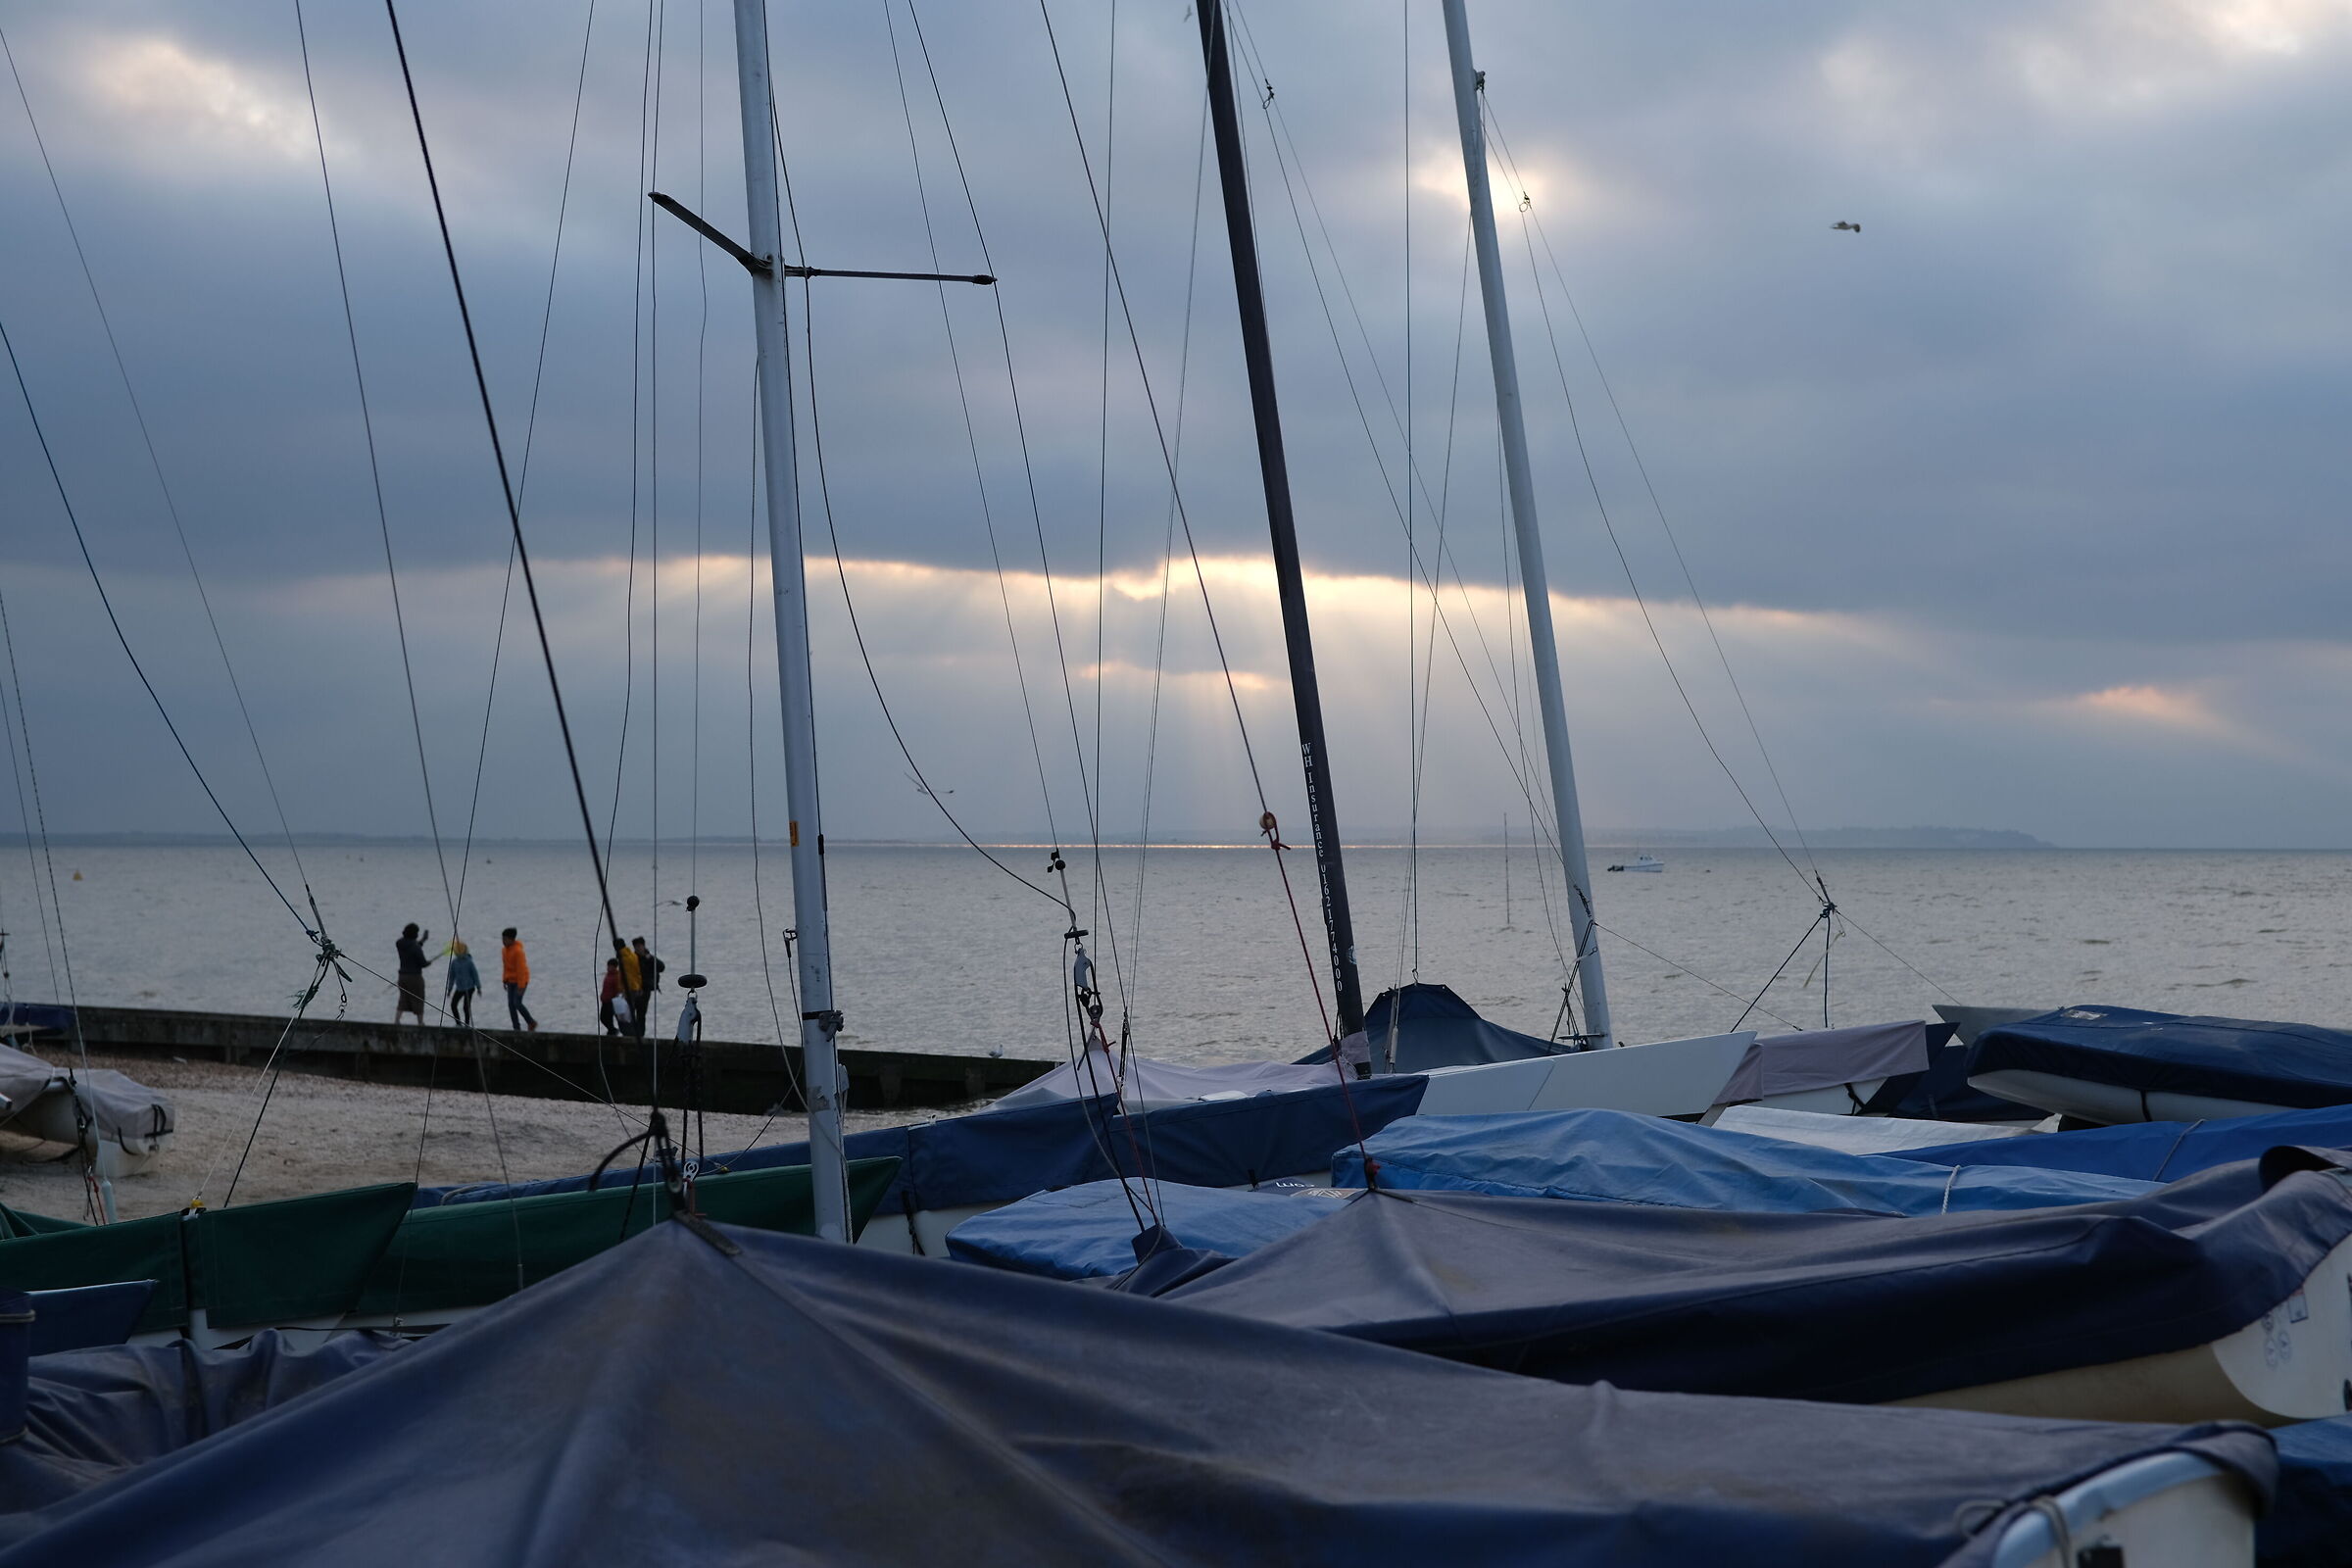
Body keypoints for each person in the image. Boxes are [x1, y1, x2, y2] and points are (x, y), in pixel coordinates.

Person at [394, 922, 433, 1024]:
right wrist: (429, 962)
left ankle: (396, 1021)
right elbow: (423, 963)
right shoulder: (416, 947)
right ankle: (420, 1023)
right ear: (415, 934)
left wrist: (423, 940)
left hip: (402, 976)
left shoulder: (399, 943)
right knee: (418, 998)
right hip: (415, 977)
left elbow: (411, 947)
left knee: (403, 999)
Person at [501, 928, 538, 1033]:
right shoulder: (504, 951)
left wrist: (521, 986)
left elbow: (521, 970)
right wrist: (504, 979)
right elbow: (505, 966)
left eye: (505, 939)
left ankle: (531, 1022)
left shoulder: (518, 952)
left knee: (517, 1003)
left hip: (521, 980)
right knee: (511, 1005)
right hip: (510, 980)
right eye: (502, 939)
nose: (503, 941)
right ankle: (516, 1028)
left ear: (512, 939)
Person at [629, 935, 665, 1040]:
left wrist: (650, 958)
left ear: (643, 946)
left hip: (645, 990)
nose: (638, 948)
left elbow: (661, 967)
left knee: (641, 1013)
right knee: (630, 1013)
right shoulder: (633, 958)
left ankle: (641, 1035)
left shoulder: (649, 958)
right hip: (633, 990)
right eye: (636, 947)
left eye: (639, 946)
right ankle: (632, 1033)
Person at [445, 939, 481, 1027]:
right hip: (460, 988)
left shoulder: (469, 962)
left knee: (466, 1007)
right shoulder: (454, 962)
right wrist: (449, 989)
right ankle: (458, 1023)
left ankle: (467, 1024)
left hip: (469, 987)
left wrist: (478, 987)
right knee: (453, 1005)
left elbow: (475, 975)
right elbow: (451, 977)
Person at [613, 938, 643, 1038]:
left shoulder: (623, 959)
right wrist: (639, 986)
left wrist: (621, 990)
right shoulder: (633, 955)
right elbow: (638, 973)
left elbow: (624, 976)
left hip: (628, 989)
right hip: (636, 987)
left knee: (624, 1014)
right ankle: (635, 1033)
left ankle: (628, 1034)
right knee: (631, 1012)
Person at [597, 957, 623, 1037]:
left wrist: (616, 997)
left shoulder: (617, 976)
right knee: (602, 1018)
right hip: (605, 1000)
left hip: (611, 1001)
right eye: (608, 966)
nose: (608, 968)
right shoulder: (608, 975)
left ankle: (612, 1031)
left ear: (615, 967)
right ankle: (612, 1030)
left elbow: (619, 989)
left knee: (608, 1018)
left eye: (610, 966)